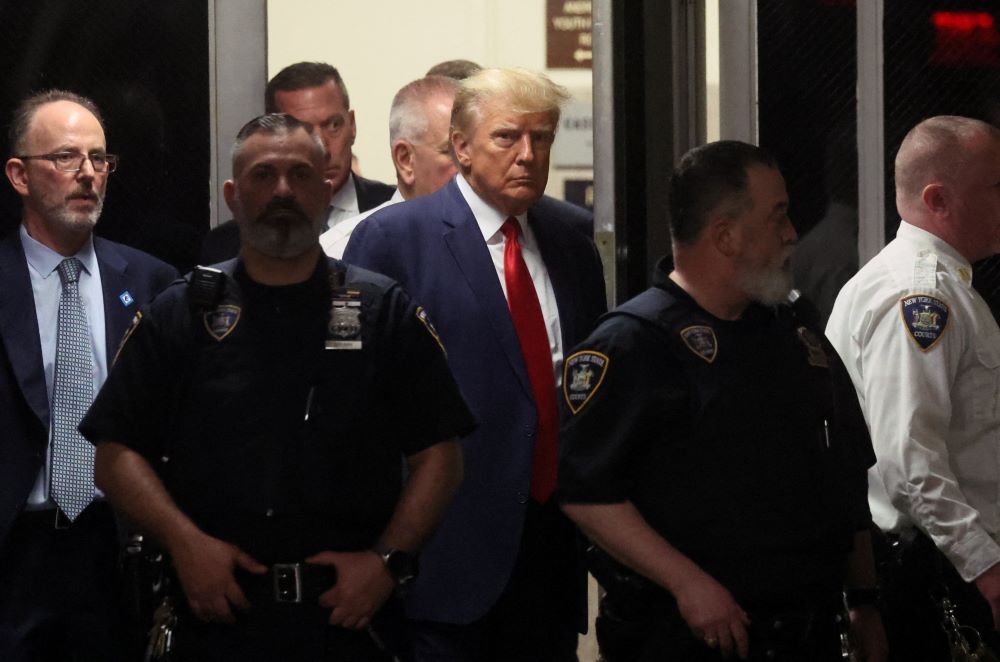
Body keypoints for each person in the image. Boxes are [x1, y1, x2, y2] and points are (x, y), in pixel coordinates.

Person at [80, 113, 474, 661]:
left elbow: (440, 456)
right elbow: (116, 453)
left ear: (328, 186)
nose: (283, 190)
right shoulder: (184, 310)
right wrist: (185, 544)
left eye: (299, 175)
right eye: (263, 175)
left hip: (349, 619)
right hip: (214, 618)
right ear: (232, 195)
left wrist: (387, 562)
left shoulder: (382, 311)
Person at [558, 140, 888, 662]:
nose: (792, 234)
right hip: (692, 636)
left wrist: (863, 599)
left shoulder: (792, 333)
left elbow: (845, 469)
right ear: (726, 235)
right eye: (778, 215)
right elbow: (586, 492)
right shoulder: (633, 343)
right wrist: (688, 584)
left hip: (808, 631)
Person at [344, 67, 607, 661]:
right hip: (442, 551)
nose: (528, 155)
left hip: (550, 544)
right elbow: (359, 406)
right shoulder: (393, 239)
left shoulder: (572, 237)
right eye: (507, 138)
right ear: (461, 147)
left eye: (542, 139)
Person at [0, 89, 177, 661]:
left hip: (118, 544)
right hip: (15, 547)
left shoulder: (151, 281)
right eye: (65, 158)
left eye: (99, 159)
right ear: (20, 175)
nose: (87, 175)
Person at [827, 116, 1000, 659]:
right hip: (933, 577)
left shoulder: (938, 283)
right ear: (939, 199)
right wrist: (988, 573)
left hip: (942, 568)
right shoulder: (922, 295)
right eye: (995, 187)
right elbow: (909, 464)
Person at [200, 62, 395, 263]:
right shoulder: (226, 243)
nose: (324, 150)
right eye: (302, 131)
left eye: (334, 125)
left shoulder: (394, 210)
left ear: (352, 125)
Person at [320, 75, 459, 258]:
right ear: (406, 159)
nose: (471, 165)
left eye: (476, 152)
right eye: (452, 152)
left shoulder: (500, 243)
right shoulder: (342, 251)